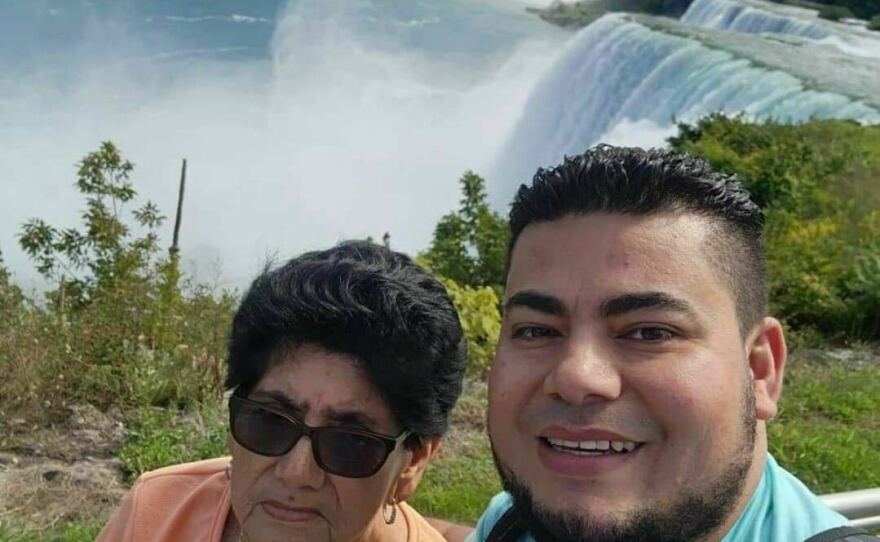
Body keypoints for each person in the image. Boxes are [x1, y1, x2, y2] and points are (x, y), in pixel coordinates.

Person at [463, 146, 875, 542]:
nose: (576, 376)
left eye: (650, 333)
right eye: (536, 330)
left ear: (760, 370)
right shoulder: (509, 522)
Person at [97, 240, 469, 542]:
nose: (296, 472)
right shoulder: (158, 516)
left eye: (349, 444)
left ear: (413, 462)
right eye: (270, 422)